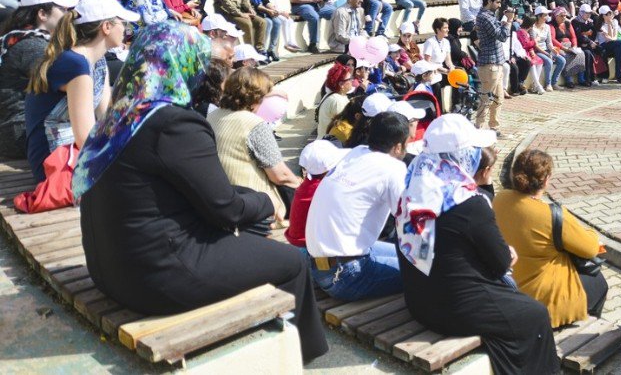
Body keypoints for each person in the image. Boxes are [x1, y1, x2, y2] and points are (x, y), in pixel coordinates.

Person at [72, 22, 327, 362]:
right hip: (155, 277)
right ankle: (302, 358)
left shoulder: (119, 115)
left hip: (109, 269)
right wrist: (267, 200)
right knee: (291, 261)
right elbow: (226, 209)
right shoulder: (174, 122)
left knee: (249, 229)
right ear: (185, 64)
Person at [396, 118, 560, 375]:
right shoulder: (467, 202)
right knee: (535, 314)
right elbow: (500, 263)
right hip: (451, 308)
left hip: (418, 297)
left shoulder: (412, 184)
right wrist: (508, 254)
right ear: (463, 156)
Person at [23, 0, 134, 182]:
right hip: (55, 163)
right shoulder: (75, 64)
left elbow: (106, 117)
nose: (126, 29)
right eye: (123, 23)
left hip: (71, 152)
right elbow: (85, 138)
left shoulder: (97, 61)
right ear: (106, 27)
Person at [494, 148, 606, 326]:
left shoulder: (500, 198)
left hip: (508, 287)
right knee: (597, 283)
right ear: (546, 180)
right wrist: (592, 233)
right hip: (542, 301)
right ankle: (573, 332)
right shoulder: (552, 214)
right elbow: (590, 248)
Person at [307, 111, 410, 300]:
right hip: (345, 276)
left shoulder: (354, 153)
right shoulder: (393, 168)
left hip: (320, 263)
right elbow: (409, 219)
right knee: (425, 274)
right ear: (397, 147)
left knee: (405, 257)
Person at [208, 67, 301, 224]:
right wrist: (301, 185)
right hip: (254, 206)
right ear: (256, 96)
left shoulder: (212, 116)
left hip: (222, 198)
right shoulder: (253, 124)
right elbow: (280, 176)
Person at [0, 0, 76, 159]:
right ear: (42, 14)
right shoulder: (32, 46)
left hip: (20, 127)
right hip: (20, 132)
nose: (68, 15)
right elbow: (72, 85)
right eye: (63, 9)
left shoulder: (21, 39)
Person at [474, 0, 513, 133]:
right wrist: (508, 20)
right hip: (489, 64)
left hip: (496, 63)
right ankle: (478, 128)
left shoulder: (489, 16)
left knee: (498, 99)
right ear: (489, 1)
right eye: (497, 2)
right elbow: (502, 36)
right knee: (486, 99)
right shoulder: (485, 17)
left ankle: (494, 128)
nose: (499, 5)